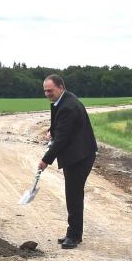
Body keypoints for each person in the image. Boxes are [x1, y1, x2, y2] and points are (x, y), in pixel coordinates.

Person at [38, 74, 98, 249]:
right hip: (79, 153)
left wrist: (45, 160)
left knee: (74, 195)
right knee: (73, 194)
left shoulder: (68, 107)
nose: (47, 94)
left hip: (80, 156)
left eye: (50, 90)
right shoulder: (64, 101)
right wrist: (52, 129)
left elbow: (62, 139)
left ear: (60, 87)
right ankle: (73, 233)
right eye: (45, 91)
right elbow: (62, 125)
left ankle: (74, 236)